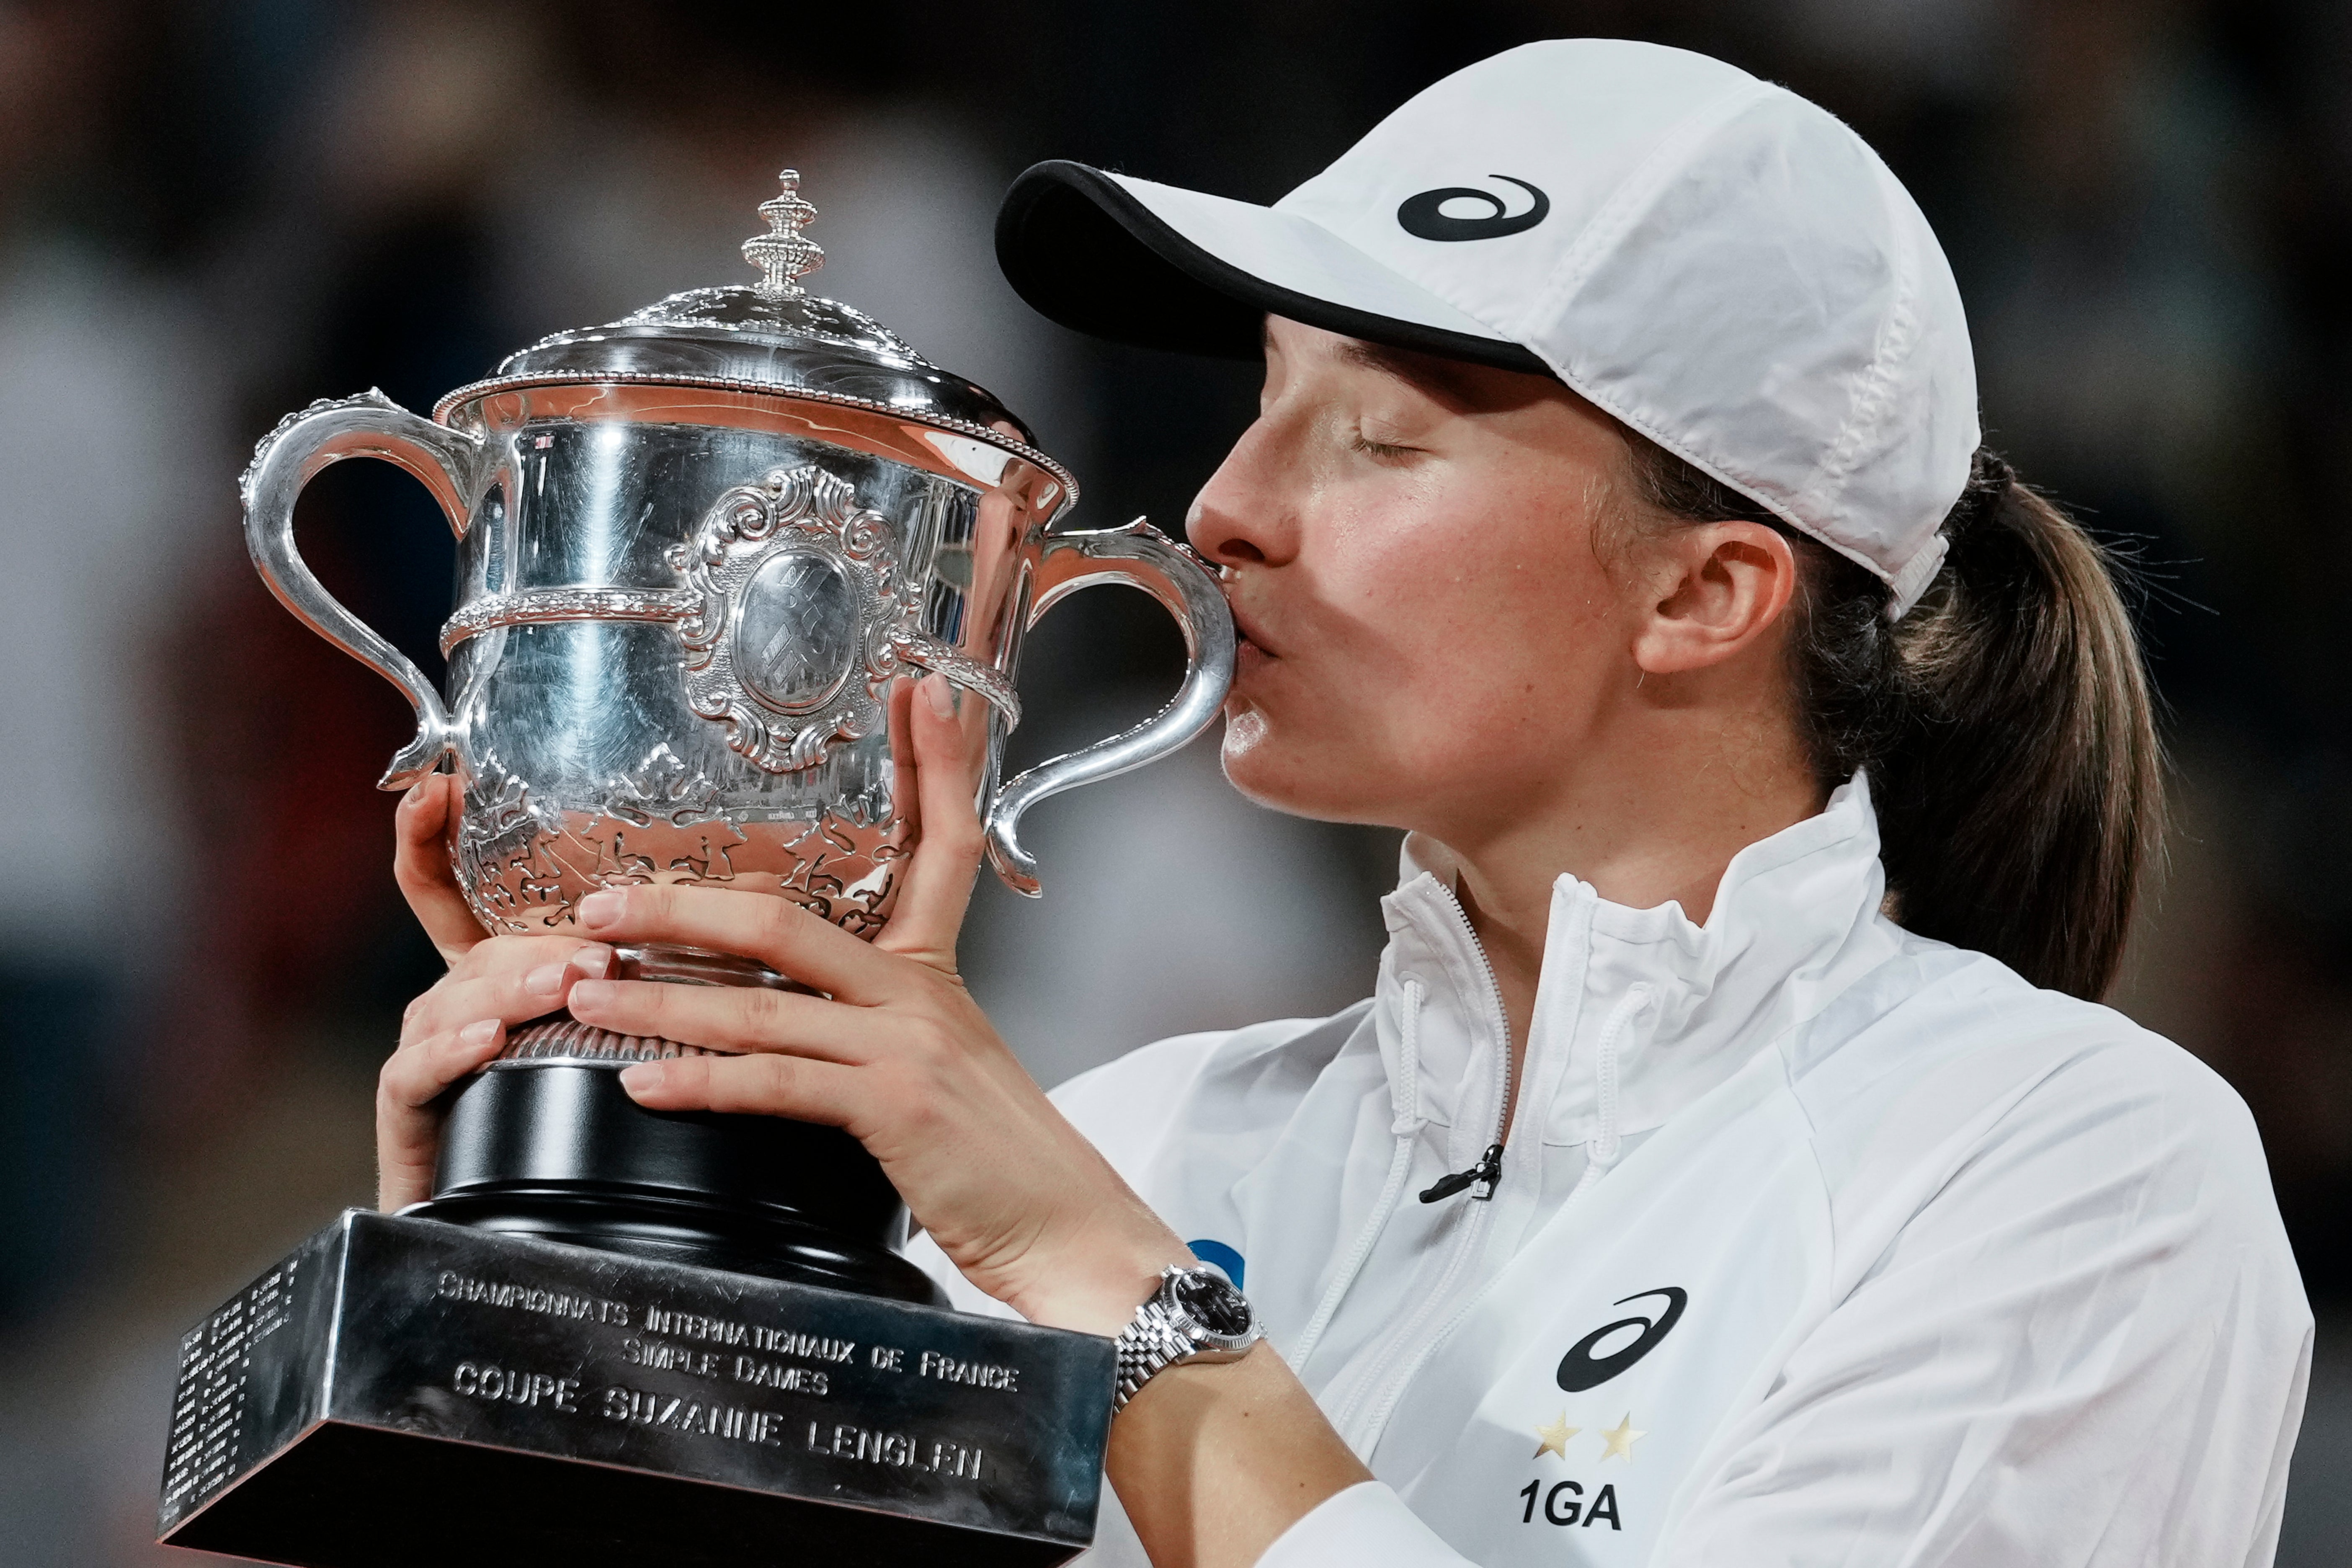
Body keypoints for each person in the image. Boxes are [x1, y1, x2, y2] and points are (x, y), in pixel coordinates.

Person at [378, 41, 2311, 1568]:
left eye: (1377, 435)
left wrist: (1122, 1300)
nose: (1227, 507)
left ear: (1706, 592)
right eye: (1264, 397)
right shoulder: (1137, 1145)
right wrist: (541, 1248)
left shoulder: (2076, 1170)